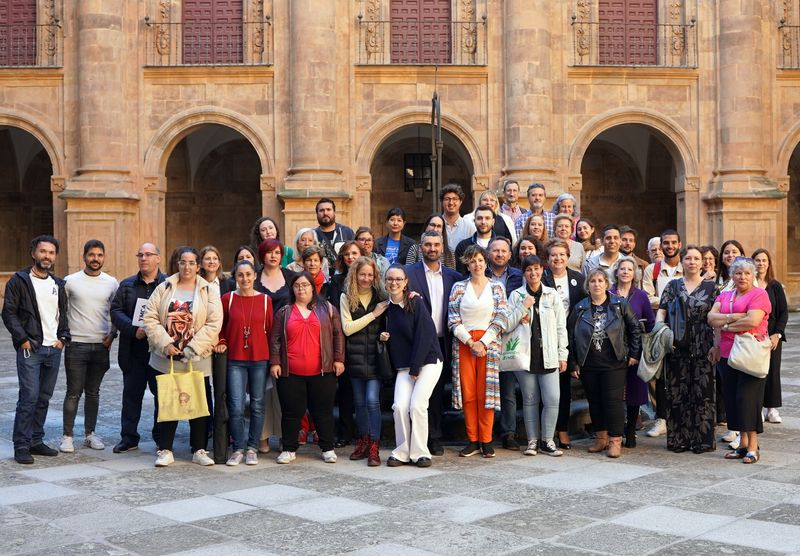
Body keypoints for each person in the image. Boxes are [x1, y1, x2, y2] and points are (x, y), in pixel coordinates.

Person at [143, 246, 222, 467]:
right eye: (182, 262)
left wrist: (193, 347)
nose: (186, 267)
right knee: (167, 402)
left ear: (198, 266)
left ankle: (199, 449)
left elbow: (214, 322)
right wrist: (166, 343)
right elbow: (150, 318)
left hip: (197, 358)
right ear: (177, 264)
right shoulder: (164, 287)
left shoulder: (208, 291)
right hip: (166, 357)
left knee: (200, 401)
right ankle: (165, 449)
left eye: (191, 263)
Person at [3, 235, 71, 464]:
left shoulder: (58, 284)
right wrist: (22, 339)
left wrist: (63, 337)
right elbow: (8, 312)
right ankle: (21, 445)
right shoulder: (19, 281)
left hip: (53, 349)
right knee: (29, 397)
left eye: (51, 252)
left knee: (44, 397)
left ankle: (36, 440)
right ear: (33, 253)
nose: (47, 256)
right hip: (30, 348)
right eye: (43, 251)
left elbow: (63, 313)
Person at [270, 272, 345, 464]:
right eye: (297, 285)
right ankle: (289, 448)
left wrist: (338, 359)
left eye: (305, 285)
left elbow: (338, 335)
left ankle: (327, 448)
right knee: (291, 412)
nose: (301, 288)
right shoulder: (284, 312)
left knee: (323, 411)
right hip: (290, 372)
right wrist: (275, 362)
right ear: (292, 289)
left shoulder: (327, 309)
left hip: (322, 370)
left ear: (313, 287)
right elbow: (275, 339)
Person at [567, 268, 641, 458]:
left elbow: (634, 328)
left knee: (613, 402)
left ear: (607, 284)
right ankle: (601, 439)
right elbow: (571, 336)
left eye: (600, 281)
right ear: (588, 285)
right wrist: (573, 362)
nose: (597, 284)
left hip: (614, 363)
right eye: (593, 281)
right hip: (588, 363)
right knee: (595, 402)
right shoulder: (580, 307)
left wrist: (634, 353)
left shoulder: (619, 304)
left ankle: (615, 440)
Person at [707, 257, 771, 464]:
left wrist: (724, 324)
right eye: (738, 273)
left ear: (753, 275)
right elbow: (710, 318)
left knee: (748, 400)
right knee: (733, 399)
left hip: (750, 353)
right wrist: (735, 318)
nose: (742, 277)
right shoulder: (725, 295)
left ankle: (753, 445)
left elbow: (753, 320)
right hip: (726, 353)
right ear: (732, 275)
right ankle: (742, 444)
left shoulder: (760, 294)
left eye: (746, 273)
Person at [448, 245, 509, 458]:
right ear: (467, 263)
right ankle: (472, 439)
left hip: (489, 345)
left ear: (486, 262)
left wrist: (483, 342)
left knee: (487, 393)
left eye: (480, 260)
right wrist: (469, 341)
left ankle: (487, 439)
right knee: (469, 393)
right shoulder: (458, 287)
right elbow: (453, 319)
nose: (477, 264)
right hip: (464, 344)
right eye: (472, 260)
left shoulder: (497, 287)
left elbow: (501, 317)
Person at [505, 256, 569, 456]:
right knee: (530, 399)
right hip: (526, 356)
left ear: (543, 270)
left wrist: (563, 354)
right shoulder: (516, 295)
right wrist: (523, 306)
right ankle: (532, 441)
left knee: (552, 398)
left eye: (536, 269)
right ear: (523, 273)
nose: (533, 273)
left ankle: (548, 440)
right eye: (529, 270)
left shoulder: (552, 295)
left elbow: (561, 327)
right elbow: (506, 325)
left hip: (548, 354)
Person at [405, 230, 462, 456]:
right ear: (421, 247)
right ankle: (418, 437)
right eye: (427, 245)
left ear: (442, 248)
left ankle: (435, 437)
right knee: (419, 393)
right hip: (418, 343)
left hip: (444, 341)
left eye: (436, 245)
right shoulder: (408, 273)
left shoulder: (453, 277)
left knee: (437, 393)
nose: (432, 249)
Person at [655, 246, 716, 453]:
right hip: (676, 343)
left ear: (702, 263)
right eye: (688, 258)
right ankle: (679, 439)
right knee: (676, 393)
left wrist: (717, 345)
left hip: (703, 344)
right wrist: (660, 330)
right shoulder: (672, 285)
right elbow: (662, 311)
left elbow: (715, 318)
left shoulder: (711, 288)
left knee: (702, 393)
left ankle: (703, 440)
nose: (692, 262)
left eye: (696, 258)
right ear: (682, 261)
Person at [60, 240, 119, 453]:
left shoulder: (112, 282)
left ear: (104, 257)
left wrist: (113, 334)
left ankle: (90, 434)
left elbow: (117, 311)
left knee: (93, 392)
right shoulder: (70, 281)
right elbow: (60, 311)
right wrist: (64, 336)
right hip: (76, 345)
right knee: (73, 392)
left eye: (99, 255)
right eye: (92, 255)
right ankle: (67, 436)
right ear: (84, 256)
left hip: (101, 345)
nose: (96, 259)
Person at [383, 264, 443, 467]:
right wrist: (381, 337)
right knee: (399, 406)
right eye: (390, 279)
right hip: (404, 366)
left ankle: (420, 453)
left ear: (406, 282)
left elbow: (425, 336)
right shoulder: (385, 308)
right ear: (385, 282)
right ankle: (401, 451)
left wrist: (416, 367)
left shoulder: (415, 302)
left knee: (417, 405)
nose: (394, 283)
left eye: (399, 279)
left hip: (428, 361)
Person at [110, 243, 167, 453]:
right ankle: (129, 437)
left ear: (158, 258)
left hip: (159, 351)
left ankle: (162, 437)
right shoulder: (126, 285)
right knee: (131, 395)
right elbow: (115, 311)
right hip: (133, 350)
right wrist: (134, 330)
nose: (144, 258)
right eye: (140, 255)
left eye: (149, 254)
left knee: (162, 396)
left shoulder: (168, 284)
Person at [215, 260, 272, 466]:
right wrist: (221, 341)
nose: (245, 279)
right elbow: (219, 327)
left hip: (259, 359)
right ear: (235, 277)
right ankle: (238, 447)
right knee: (236, 405)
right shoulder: (227, 299)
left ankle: (252, 447)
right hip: (235, 360)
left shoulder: (266, 300)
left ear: (255, 276)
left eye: (248, 274)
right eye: (240, 275)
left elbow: (270, 330)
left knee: (257, 404)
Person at [340, 257, 388, 466]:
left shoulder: (382, 296)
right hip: (355, 358)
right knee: (359, 404)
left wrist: (386, 334)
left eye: (370, 275)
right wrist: (373, 315)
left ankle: (375, 445)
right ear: (355, 275)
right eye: (362, 274)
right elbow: (347, 328)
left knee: (371, 400)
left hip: (376, 359)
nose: (366, 279)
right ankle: (364, 441)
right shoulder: (346, 297)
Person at [542, 239, 587, 449]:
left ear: (568, 257)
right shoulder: (541, 277)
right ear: (548, 258)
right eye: (553, 255)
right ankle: (547, 432)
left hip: (570, 339)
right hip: (547, 339)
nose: (557, 258)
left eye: (561, 255)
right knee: (549, 389)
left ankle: (563, 430)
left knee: (565, 389)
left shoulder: (578, 278)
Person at [255, 238, 297, 453]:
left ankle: (283, 436)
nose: (273, 256)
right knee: (261, 391)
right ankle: (262, 436)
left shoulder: (290, 277)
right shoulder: (254, 278)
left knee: (283, 392)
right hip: (258, 340)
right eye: (269, 252)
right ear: (262, 255)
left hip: (285, 340)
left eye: (277, 252)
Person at [610, 256, 654, 449]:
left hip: (635, 348)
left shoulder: (641, 295)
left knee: (634, 390)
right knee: (615, 390)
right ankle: (617, 430)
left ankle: (631, 432)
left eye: (630, 269)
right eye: (622, 268)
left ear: (635, 273)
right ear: (617, 272)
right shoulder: (608, 292)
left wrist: (639, 325)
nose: (626, 272)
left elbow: (651, 322)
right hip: (612, 349)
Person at [486, 237, 525, 450]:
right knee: (487, 388)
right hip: (485, 337)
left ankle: (508, 433)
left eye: (503, 251)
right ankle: (486, 433)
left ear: (510, 255)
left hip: (511, 335)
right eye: (495, 251)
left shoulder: (519, 277)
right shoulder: (479, 275)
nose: (499, 254)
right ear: (488, 253)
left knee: (508, 388)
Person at [752, 248, 788, 424]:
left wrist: (777, 335)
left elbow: (783, 313)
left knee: (772, 371)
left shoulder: (775, 286)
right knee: (756, 372)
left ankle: (771, 409)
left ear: (769, 263)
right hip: (753, 335)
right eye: (757, 260)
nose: (761, 263)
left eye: (764, 260)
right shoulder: (748, 285)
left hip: (772, 336)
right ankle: (757, 408)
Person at [643, 229, 684, 311]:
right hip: (660, 319)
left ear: (679, 245)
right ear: (661, 246)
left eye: (674, 242)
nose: (670, 246)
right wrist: (673, 302)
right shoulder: (651, 269)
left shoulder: (687, 267)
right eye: (666, 243)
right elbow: (647, 298)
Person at [454, 205, 496, 275]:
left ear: (493, 221)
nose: (483, 222)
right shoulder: (463, 246)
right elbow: (461, 275)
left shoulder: (501, 246)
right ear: (474, 221)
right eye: (479, 218)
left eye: (487, 218)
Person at [315, 198, 355, 268]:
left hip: (344, 276)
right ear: (317, 213)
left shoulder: (346, 232)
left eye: (328, 209)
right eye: (321, 210)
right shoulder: (313, 235)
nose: (325, 213)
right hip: (320, 277)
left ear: (334, 212)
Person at [440, 182, 476, 252]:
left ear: (461, 201)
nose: (451, 202)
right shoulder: (436, 225)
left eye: (455, 199)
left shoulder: (470, 227)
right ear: (442, 201)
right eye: (447, 199)